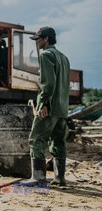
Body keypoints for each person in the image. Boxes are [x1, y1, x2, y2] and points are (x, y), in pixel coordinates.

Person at [25, 27, 70, 186]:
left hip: (49, 107)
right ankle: (60, 178)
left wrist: (43, 104)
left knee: (36, 139)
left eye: (38, 39)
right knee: (58, 142)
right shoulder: (64, 58)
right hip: (62, 109)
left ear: (46, 39)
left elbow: (48, 83)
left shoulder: (46, 55)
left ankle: (38, 177)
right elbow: (64, 85)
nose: (36, 42)